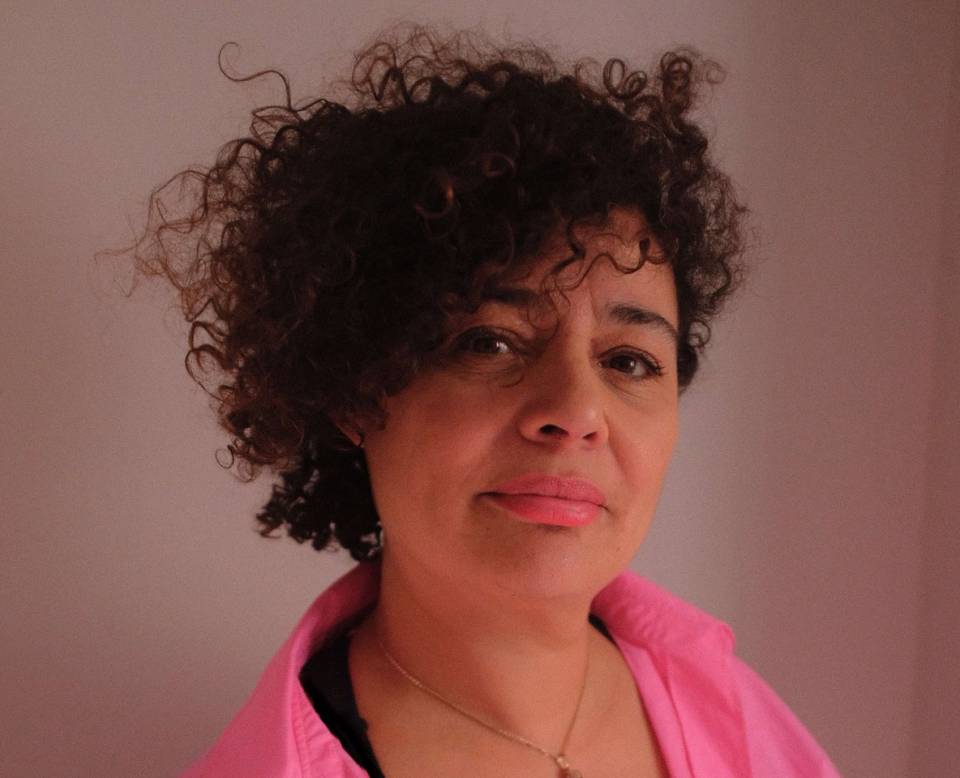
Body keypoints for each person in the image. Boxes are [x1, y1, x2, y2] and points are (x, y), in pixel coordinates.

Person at [124, 22, 841, 778]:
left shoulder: (745, 718)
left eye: (628, 361)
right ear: (356, 393)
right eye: (491, 343)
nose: (577, 411)